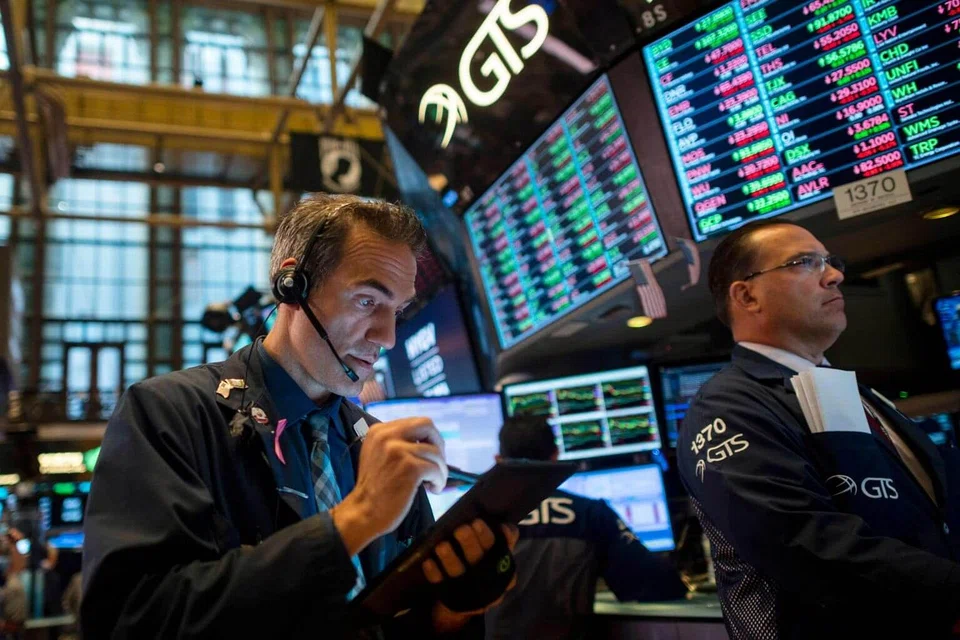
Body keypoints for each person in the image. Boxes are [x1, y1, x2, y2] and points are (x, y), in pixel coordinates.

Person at [82, 194, 518, 638]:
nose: (387, 337)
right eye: (367, 301)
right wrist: (357, 519)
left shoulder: (377, 445)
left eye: (398, 310)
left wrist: (451, 612)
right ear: (292, 284)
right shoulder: (169, 414)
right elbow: (131, 621)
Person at [679, 220, 960, 639]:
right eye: (804, 263)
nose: (834, 276)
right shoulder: (728, 406)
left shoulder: (855, 392)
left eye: (830, 261)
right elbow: (802, 541)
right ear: (747, 295)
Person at [485, 415, 687, 639]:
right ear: (555, 456)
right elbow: (660, 584)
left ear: (499, 460)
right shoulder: (589, 514)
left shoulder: (480, 523)